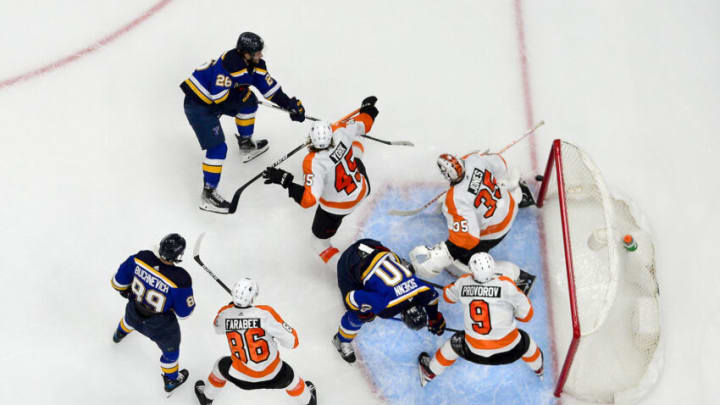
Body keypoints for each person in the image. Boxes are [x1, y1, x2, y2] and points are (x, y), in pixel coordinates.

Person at [181, 32, 306, 214]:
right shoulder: (228, 65)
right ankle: (208, 194)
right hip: (198, 106)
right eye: (256, 53)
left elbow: (269, 88)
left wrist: (289, 104)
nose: (260, 55)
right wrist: (241, 92)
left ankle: (246, 144)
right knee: (218, 149)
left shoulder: (254, 64)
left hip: (215, 100)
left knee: (250, 101)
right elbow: (219, 98)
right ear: (245, 53)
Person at [262, 97, 379, 264]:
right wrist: (368, 109)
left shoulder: (313, 162)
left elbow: (308, 200)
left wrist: (285, 180)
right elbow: (364, 123)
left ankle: (345, 270)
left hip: (337, 208)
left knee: (318, 243)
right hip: (362, 188)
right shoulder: (340, 130)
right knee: (355, 143)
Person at [409, 151, 536, 292]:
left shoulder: (456, 199)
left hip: (496, 232)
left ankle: (515, 277)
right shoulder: (474, 160)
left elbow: (468, 239)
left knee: (464, 261)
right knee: (499, 183)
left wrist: (445, 254)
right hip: (510, 206)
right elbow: (501, 165)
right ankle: (521, 193)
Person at [417, 252, 544, 387]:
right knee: (527, 343)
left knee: (452, 345)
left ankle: (429, 373)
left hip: (473, 351)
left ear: (472, 269)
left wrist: (463, 289)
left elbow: (448, 296)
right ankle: (539, 369)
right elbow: (527, 316)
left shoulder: (463, 282)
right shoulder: (507, 285)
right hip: (510, 351)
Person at [193, 278, 316, 405]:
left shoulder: (225, 313)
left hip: (240, 378)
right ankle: (309, 401)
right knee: (291, 378)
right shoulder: (265, 313)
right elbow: (292, 342)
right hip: (274, 376)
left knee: (220, 366)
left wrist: (231, 310)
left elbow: (217, 328)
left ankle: (206, 398)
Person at [331, 239, 446, 363]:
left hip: (371, 245)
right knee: (359, 315)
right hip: (349, 261)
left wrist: (434, 317)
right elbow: (351, 298)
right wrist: (365, 312)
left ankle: (397, 268)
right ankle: (341, 339)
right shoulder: (385, 308)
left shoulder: (422, 290)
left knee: (406, 270)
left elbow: (432, 297)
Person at [110, 233, 195, 393]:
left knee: (129, 319)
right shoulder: (181, 279)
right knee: (171, 352)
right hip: (160, 326)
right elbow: (184, 313)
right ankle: (171, 380)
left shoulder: (141, 258)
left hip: (134, 310)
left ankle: (119, 334)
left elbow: (117, 283)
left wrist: (129, 292)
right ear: (178, 256)